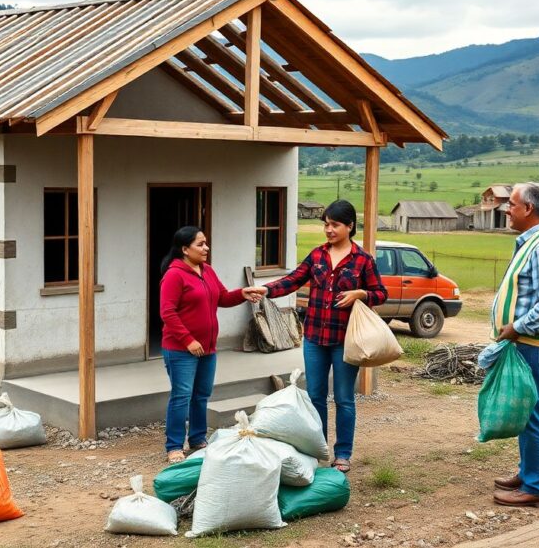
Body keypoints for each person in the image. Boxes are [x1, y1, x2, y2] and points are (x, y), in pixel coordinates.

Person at [247, 199, 387, 473]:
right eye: (326, 224)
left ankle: (343, 454)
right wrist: (267, 289)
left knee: (344, 398)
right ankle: (319, 449)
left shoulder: (363, 260)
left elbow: (381, 293)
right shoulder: (317, 255)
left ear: (350, 226)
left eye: (335, 224)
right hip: (314, 337)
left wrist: (361, 294)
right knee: (315, 397)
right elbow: (293, 280)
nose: (329, 230)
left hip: (345, 340)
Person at [490, 182, 539, 508]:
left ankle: (536, 487)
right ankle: (527, 473)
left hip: (533, 347)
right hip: (526, 345)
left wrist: (516, 327)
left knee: (533, 414)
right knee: (525, 412)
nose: (506, 210)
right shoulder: (531, 243)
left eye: (511, 204)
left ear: (528, 209)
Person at [159, 226, 263, 463]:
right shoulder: (174, 275)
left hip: (207, 348)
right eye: (200, 244)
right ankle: (174, 445)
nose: (206, 248)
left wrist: (242, 293)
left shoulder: (207, 271)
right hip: (180, 349)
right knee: (181, 396)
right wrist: (188, 340)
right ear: (185, 249)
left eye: (205, 243)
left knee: (201, 395)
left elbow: (222, 297)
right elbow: (167, 312)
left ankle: (197, 438)